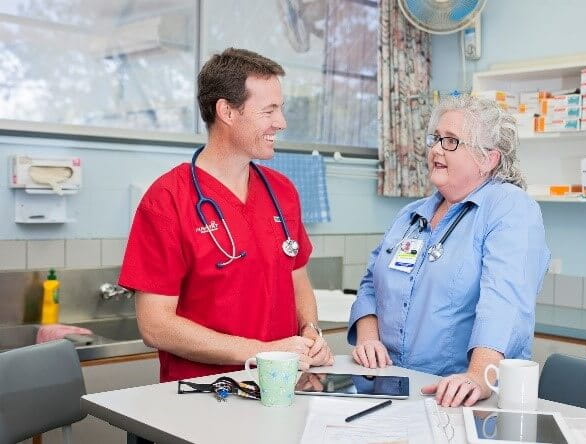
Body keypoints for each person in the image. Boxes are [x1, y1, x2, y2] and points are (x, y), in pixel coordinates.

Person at [119, 48, 333, 382]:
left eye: (280, 109)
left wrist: (310, 331)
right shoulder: (167, 200)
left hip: (281, 387)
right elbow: (156, 325)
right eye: (268, 111)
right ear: (227, 111)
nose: (281, 122)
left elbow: (297, 280)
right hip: (203, 396)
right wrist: (259, 352)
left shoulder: (283, 192)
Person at [347, 94, 550, 407]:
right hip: (390, 384)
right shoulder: (411, 215)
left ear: (488, 159)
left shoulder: (510, 208)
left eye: (452, 141)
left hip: (457, 394)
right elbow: (371, 284)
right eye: (436, 138)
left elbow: (505, 301)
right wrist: (368, 336)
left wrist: (479, 376)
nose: (437, 149)